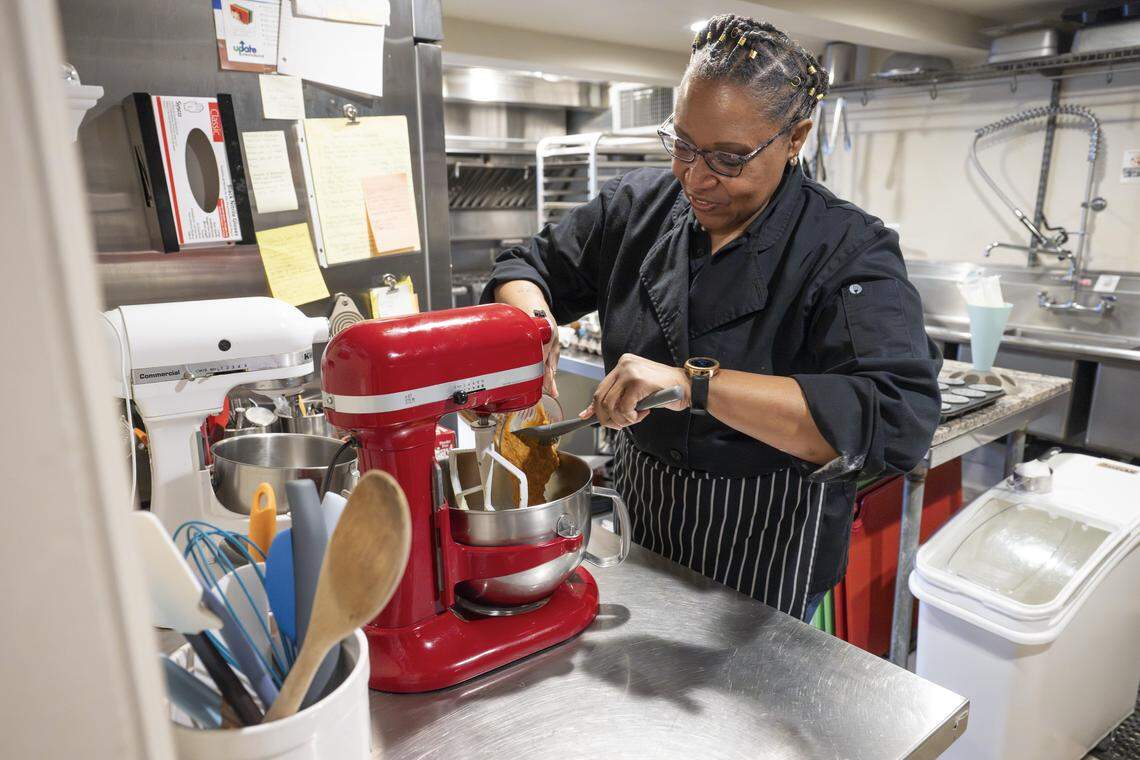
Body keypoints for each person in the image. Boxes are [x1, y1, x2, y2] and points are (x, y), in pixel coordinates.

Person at [483, 14, 941, 622]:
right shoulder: (637, 209)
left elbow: (894, 416)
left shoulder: (846, 248)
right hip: (644, 519)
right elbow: (526, 266)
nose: (695, 178)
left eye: (728, 158)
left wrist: (694, 386)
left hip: (768, 542)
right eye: (682, 145)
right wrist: (534, 328)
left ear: (795, 138)